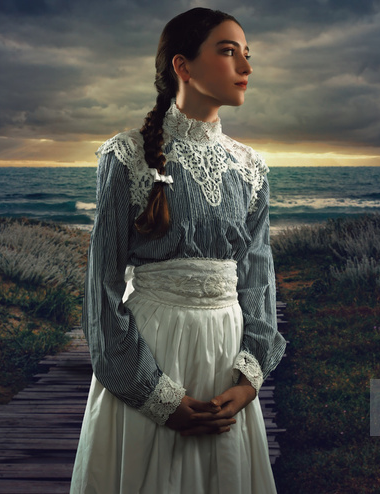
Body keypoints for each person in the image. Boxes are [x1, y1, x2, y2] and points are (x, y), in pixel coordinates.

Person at [70, 7, 287, 494]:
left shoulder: (251, 166)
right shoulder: (125, 155)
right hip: (155, 349)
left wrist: (249, 378)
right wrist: (154, 395)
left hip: (226, 358)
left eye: (247, 55)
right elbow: (101, 288)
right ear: (182, 66)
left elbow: (258, 280)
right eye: (229, 52)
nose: (246, 68)